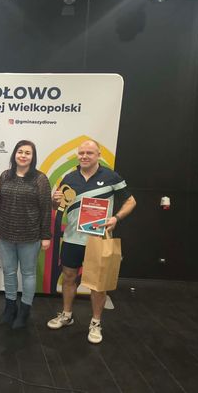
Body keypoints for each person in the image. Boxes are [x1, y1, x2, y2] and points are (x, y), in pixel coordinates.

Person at [47, 139, 136, 343]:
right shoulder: (69, 177)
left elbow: (131, 201)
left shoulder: (111, 176)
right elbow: (57, 206)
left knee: (98, 284)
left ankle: (95, 323)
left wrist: (116, 218)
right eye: (81, 153)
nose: (84, 156)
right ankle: (67, 315)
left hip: (98, 240)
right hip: (72, 238)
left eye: (89, 153)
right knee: (68, 277)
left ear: (98, 155)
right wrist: (54, 200)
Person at [0, 140, 51, 329]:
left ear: (33, 157)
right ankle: (10, 308)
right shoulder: (5, 176)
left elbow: (46, 209)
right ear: (14, 154)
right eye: (20, 152)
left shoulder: (40, 179)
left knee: (28, 274)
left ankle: (24, 310)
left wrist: (46, 236)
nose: (23, 156)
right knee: (9, 272)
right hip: (6, 233)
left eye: (27, 153)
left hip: (30, 235)